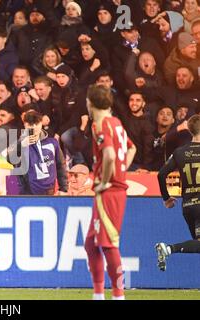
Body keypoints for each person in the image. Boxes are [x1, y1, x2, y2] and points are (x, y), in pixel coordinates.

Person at [84, 85, 137, 301]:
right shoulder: (117, 124)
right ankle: (98, 295)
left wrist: (107, 180)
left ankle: (118, 296)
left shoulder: (101, 124)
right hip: (112, 190)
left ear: (90, 102)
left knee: (108, 244)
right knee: (91, 243)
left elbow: (109, 156)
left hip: (110, 192)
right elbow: (131, 149)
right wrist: (121, 172)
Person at [156, 114, 200, 271]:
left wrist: (166, 198)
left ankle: (169, 249)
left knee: (198, 244)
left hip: (188, 206)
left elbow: (161, 174)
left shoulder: (180, 152)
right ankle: (169, 249)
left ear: (189, 130)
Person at [8, 110, 68, 195]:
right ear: (25, 125)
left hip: (49, 191)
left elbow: (60, 165)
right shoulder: (20, 143)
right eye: (30, 124)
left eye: (37, 123)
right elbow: (10, 159)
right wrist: (22, 145)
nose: (34, 127)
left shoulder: (52, 143)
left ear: (41, 123)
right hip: (27, 193)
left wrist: (64, 188)